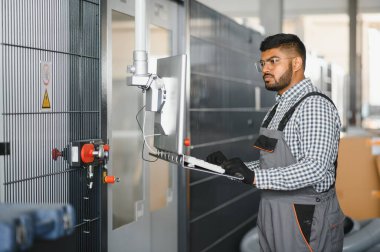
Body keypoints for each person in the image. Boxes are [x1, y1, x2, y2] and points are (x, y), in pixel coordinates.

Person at [207, 33, 345, 252]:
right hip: (273, 211)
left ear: (297, 63)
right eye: (262, 63)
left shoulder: (314, 106)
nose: (265, 69)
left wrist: (255, 176)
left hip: (306, 216)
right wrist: (233, 169)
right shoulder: (278, 107)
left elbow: (315, 168)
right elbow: (274, 165)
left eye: (273, 61)